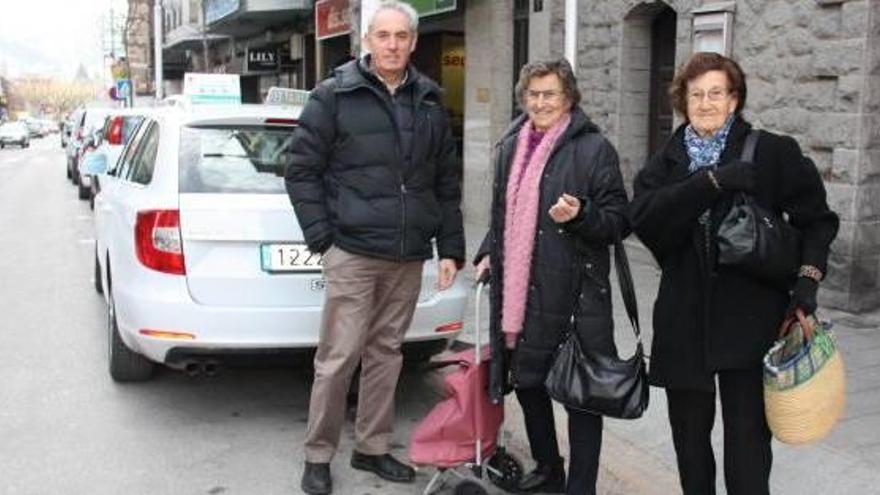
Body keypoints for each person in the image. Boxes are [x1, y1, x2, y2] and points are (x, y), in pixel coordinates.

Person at [629, 52, 839, 495]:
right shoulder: (665, 162)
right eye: (696, 94)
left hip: (751, 322)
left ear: (734, 99)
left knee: (747, 448)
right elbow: (644, 218)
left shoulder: (770, 152)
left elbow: (817, 220)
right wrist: (711, 182)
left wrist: (807, 280)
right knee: (689, 444)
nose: (705, 103)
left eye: (716, 93)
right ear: (683, 100)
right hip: (683, 322)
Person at [284, 2, 464, 494]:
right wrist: (323, 237)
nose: (392, 44)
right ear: (367, 40)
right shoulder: (333, 96)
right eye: (382, 35)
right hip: (354, 251)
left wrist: (450, 247)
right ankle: (318, 454)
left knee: (387, 353)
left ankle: (372, 447)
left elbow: (446, 181)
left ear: (412, 41)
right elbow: (300, 171)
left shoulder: (428, 99)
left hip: (407, 253)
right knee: (339, 357)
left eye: (401, 36)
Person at [473, 59, 629, 495]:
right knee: (527, 381)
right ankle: (548, 468)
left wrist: (583, 214)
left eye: (550, 94)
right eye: (533, 94)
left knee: (582, 398)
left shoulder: (594, 149)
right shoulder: (511, 144)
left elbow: (619, 220)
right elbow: (507, 212)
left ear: (569, 99)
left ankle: (581, 487)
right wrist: (490, 247)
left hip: (576, 297)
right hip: (522, 292)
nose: (540, 102)